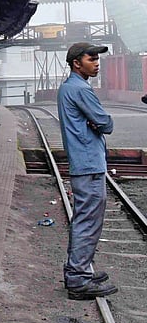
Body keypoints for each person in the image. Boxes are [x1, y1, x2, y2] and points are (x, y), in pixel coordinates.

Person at [58, 42, 117, 300]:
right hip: (88, 162)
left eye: (97, 58)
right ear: (76, 63)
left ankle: (77, 270)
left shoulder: (69, 88)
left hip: (83, 161)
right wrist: (98, 123)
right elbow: (106, 123)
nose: (96, 62)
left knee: (84, 217)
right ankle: (79, 279)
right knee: (88, 220)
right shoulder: (80, 89)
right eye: (91, 58)